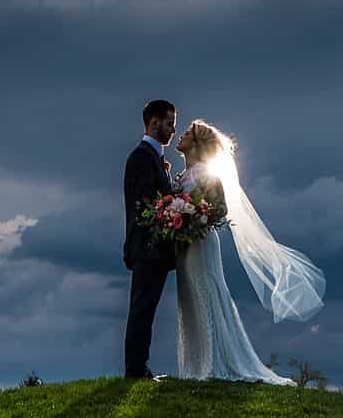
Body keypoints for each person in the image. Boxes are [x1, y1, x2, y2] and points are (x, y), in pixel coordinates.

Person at [172, 118, 326, 382]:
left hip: (201, 242)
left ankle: (215, 362)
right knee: (189, 299)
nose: (180, 135)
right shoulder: (181, 176)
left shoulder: (206, 175)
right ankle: (195, 366)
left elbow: (219, 208)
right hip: (185, 247)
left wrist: (195, 217)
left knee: (207, 294)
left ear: (196, 144)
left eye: (186, 133)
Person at [122, 98, 179, 380]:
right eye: (169, 123)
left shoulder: (153, 158)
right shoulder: (142, 158)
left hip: (152, 249)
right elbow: (144, 207)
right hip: (148, 248)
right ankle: (135, 370)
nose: (172, 130)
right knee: (142, 309)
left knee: (145, 308)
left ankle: (138, 367)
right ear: (153, 122)